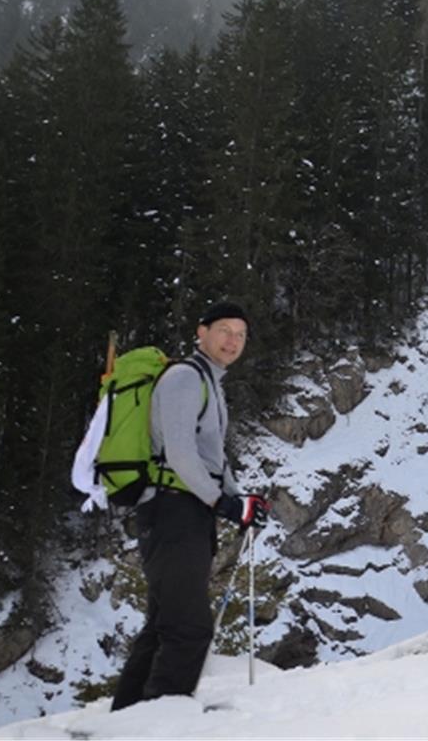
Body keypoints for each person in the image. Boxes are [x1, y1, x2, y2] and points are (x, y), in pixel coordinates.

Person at [112, 302, 270, 711]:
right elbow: (182, 455)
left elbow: (213, 456)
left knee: (163, 626)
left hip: (185, 512)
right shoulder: (184, 378)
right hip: (171, 511)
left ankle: (125, 721)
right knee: (189, 629)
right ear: (201, 332)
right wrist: (224, 503)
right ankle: (162, 723)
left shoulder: (210, 382)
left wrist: (239, 500)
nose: (232, 341)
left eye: (240, 334)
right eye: (224, 330)